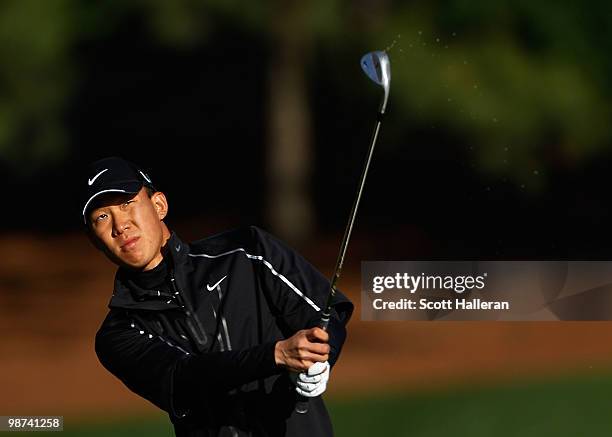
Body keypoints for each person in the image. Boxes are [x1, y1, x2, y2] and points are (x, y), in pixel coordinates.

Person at [83, 157, 354, 437]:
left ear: (159, 205)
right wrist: (276, 355)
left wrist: (322, 357)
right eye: (102, 217)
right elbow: (184, 378)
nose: (120, 225)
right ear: (95, 240)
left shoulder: (248, 251)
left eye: (127, 204)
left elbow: (324, 312)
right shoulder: (118, 333)